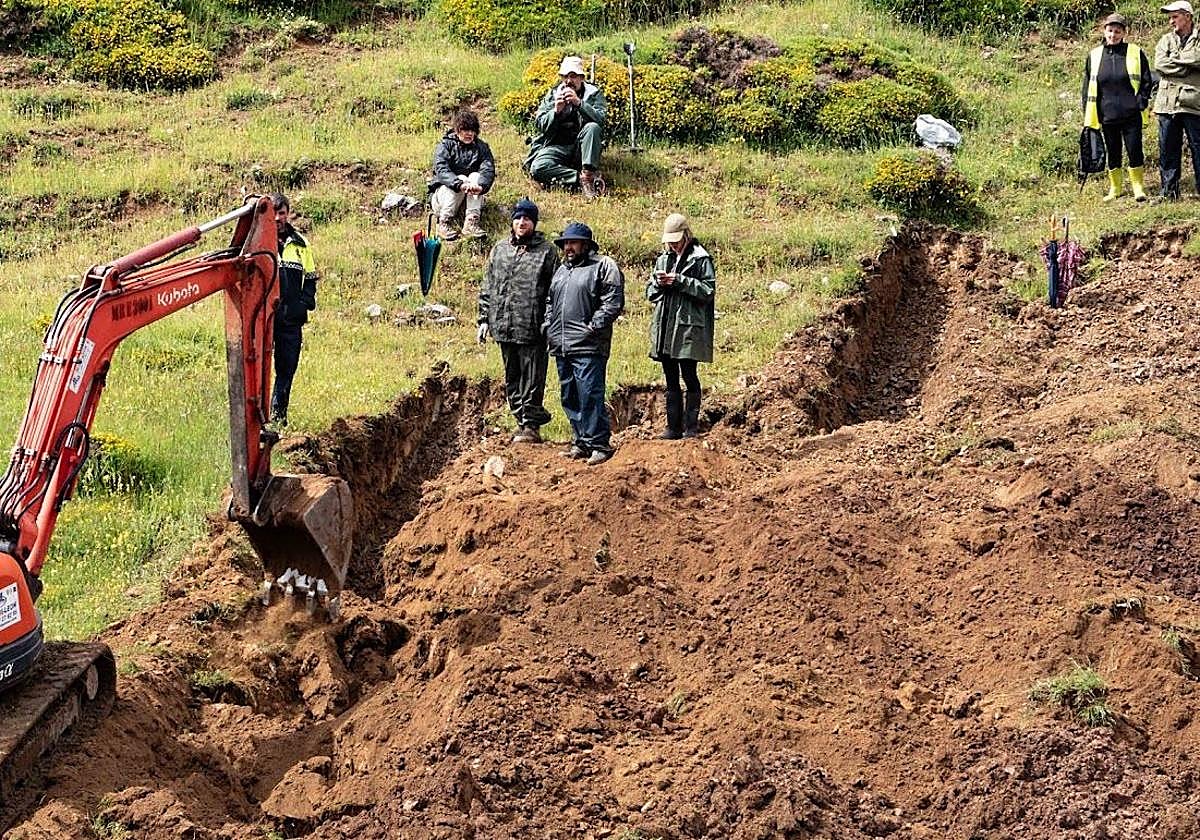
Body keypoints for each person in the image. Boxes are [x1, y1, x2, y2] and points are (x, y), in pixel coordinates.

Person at [477, 197, 561, 444]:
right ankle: (519, 420)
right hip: (503, 324)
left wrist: (548, 322)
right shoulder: (500, 249)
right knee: (511, 376)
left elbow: (554, 292)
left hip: (532, 327)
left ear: (534, 222)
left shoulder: (547, 252)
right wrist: (483, 318)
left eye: (527, 218)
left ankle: (531, 424)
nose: (522, 222)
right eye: (518, 218)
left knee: (532, 378)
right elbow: (488, 286)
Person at [544, 222, 625, 466]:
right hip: (561, 344)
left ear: (586, 244)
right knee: (569, 395)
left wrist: (593, 326)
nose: (568, 247)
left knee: (590, 394)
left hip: (589, 345)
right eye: (566, 243)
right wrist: (548, 325)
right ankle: (580, 441)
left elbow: (612, 301)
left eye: (573, 242)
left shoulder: (603, 266)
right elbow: (550, 301)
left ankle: (599, 443)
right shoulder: (561, 271)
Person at [647, 213, 716, 439]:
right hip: (666, 325)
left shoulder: (700, 258)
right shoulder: (663, 259)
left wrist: (680, 281)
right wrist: (659, 283)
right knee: (669, 377)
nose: (673, 245)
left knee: (689, 374)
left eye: (676, 240)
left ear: (686, 235)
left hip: (687, 327)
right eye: (670, 241)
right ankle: (672, 427)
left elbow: (707, 291)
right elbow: (649, 292)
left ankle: (691, 427)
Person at [1082, 13, 1153, 201]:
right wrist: (1088, 113)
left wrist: (1142, 101)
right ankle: (1116, 188)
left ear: (1124, 33)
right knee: (1113, 152)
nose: (1113, 35)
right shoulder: (1094, 56)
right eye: (1110, 30)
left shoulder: (1135, 52)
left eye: (1117, 31)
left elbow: (1147, 79)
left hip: (1131, 114)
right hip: (1107, 114)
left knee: (1134, 149)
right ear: (1104, 31)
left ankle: (1138, 187)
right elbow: (1087, 86)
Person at [524, 55, 608, 201]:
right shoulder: (553, 94)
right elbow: (539, 124)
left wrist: (579, 103)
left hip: (582, 148)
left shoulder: (593, 94)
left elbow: (601, 120)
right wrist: (555, 112)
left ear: (581, 77)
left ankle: (588, 175)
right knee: (537, 168)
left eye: (573, 76)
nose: (569, 81)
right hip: (556, 146)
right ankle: (580, 179)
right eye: (565, 77)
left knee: (593, 127)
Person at [270, 193, 318, 427]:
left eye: (281, 213)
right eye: (273, 213)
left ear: (288, 214)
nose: (278, 218)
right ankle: (256, 420)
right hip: (264, 319)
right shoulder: (257, 242)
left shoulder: (301, 244)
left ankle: (278, 418)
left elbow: (310, 278)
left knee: (286, 368)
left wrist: (304, 303)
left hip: (291, 319)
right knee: (256, 368)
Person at [1155, 0, 1200, 199]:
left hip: (1193, 103)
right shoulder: (1165, 40)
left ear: (1187, 16)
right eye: (1170, 17)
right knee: (1167, 150)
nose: (1171, 21)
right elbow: (1160, 64)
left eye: (1175, 17)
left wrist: (1176, 62)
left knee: (1198, 149)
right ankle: (1169, 193)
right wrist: (1187, 67)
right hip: (1167, 103)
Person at [429, 109, 496, 240]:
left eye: (472, 131)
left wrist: (481, 186)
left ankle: (471, 222)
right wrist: (459, 184)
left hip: (469, 201)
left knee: (476, 177)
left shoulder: (482, 147)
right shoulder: (445, 145)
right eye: (465, 130)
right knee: (461, 178)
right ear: (457, 130)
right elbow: (442, 170)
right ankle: (443, 223)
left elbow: (488, 169)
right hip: (443, 200)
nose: (469, 134)